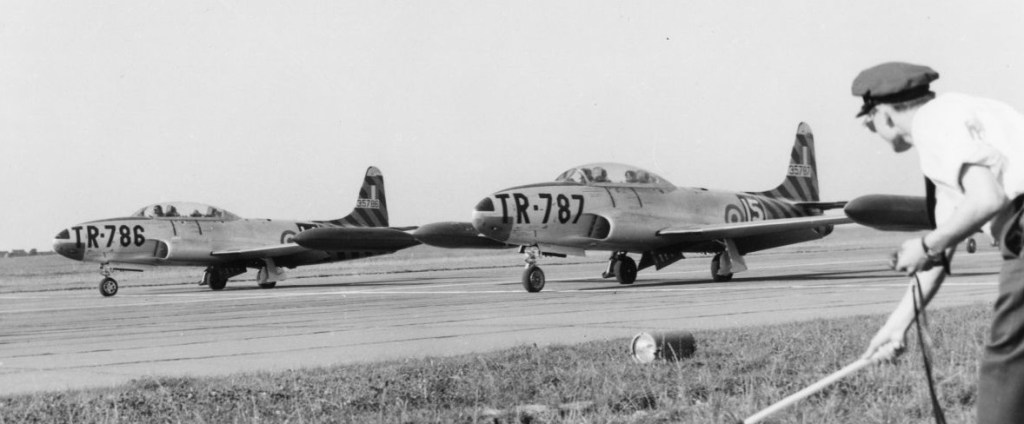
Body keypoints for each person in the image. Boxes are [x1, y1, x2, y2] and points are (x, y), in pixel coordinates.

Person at [852, 61, 1024, 424]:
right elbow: (945, 245)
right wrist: (895, 327)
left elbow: (986, 199)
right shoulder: (968, 113)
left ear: (883, 114)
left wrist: (925, 245)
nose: (874, 132)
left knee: (1007, 366)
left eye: (869, 124)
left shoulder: (931, 123)